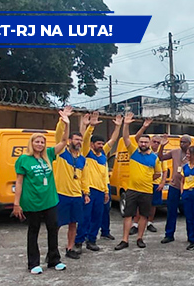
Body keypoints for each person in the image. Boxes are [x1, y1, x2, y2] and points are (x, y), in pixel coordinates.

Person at [12, 108, 71, 275]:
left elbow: (64, 141)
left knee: (53, 228)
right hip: (32, 201)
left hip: (50, 200)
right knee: (34, 231)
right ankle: (33, 263)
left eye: (42, 142)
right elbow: (19, 181)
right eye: (37, 142)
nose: (40, 144)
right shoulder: (24, 159)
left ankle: (54, 259)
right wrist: (16, 203)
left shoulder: (49, 155)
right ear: (31, 143)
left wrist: (66, 123)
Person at [115, 113, 159, 250]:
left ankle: (140, 238)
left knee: (144, 216)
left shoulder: (154, 158)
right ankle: (125, 240)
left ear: (149, 143)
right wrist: (126, 124)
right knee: (128, 215)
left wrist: (146, 180)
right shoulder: (133, 152)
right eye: (141, 142)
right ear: (138, 142)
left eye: (146, 142)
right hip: (132, 190)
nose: (143, 144)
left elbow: (158, 173)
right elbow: (126, 138)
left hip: (146, 191)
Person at [77, 111, 120, 252]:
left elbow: (112, 141)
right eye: (98, 144)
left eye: (102, 144)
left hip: (101, 191)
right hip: (88, 190)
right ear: (92, 144)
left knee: (97, 217)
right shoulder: (86, 152)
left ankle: (92, 240)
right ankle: (78, 242)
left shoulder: (102, 156)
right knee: (85, 217)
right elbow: (84, 139)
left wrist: (118, 127)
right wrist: (90, 127)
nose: (101, 146)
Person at [53, 116, 88, 260]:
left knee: (73, 223)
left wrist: (86, 193)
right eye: (76, 139)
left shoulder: (82, 159)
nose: (79, 142)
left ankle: (69, 248)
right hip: (61, 194)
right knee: (56, 224)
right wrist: (63, 121)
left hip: (76, 196)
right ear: (69, 140)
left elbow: (84, 178)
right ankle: (53, 250)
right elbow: (59, 135)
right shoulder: (62, 153)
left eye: (80, 140)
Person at [158, 134, 192, 244]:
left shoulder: (193, 154)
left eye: (184, 142)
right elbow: (161, 158)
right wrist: (162, 146)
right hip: (174, 186)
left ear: (189, 144)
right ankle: (169, 235)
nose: (182, 144)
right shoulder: (175, 152)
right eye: (181, 142)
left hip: (187, 187)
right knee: (171, 211)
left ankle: (191, 236)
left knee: (188, 212)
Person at [131, 135, 168, 235]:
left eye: (158, 143)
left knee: (153, 205)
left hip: (155, 183)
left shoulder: (160, 155)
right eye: (154, 141)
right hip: (143, 184)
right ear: (150, 142)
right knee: (139, 205)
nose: (156, 144)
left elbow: (164, 171)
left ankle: (150, 223)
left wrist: (162, 183)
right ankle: (135, 224)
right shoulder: (143, 151)